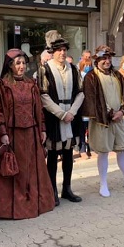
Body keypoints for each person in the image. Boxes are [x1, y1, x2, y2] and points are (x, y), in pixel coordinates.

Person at [0, 49, 54, 219]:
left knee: (30, 169)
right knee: (12, 169)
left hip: (31, 133)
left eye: (23, 63)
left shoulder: (31, 84)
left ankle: (31, 203)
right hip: (11, 134)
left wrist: (42, 129)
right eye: (17, 63)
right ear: (10, 65)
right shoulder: (2, 84)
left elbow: (38, 109)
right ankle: (8, 208)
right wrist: (3, 132)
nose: (21, 66)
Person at [82, 46, 124, 197]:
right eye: (104, 58)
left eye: (109, 58)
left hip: (118, 119)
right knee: (103, 152)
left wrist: (121, 111)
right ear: (97, 60)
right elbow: (92, 100)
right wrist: (111, 113)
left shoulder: (117, 74)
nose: (107, 61)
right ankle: (103, 184)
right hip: (102, 121)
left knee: (122, 149)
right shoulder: (91, 77)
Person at [38, 35, 84, 206]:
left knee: (68, 153)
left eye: (64, 50)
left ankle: (67, 188)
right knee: (52, 155)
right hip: (54, 117)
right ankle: (52, 191)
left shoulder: (73, 69)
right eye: (59, 50)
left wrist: (71, 111)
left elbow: (80, 92)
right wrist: (61, 114)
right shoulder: (45, 69)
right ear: (52, 52)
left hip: (71, 115)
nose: (62, 53)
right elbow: (43, 95)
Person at [78, 57, 93, 159]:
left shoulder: (93, 77)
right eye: (85, 65)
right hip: (81, 107)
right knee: (82, 129)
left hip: (91, 106)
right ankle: (82, 148)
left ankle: (91, 148)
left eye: (89, 65)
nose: (87, 67)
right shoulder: (79, 77)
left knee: (91, 128)